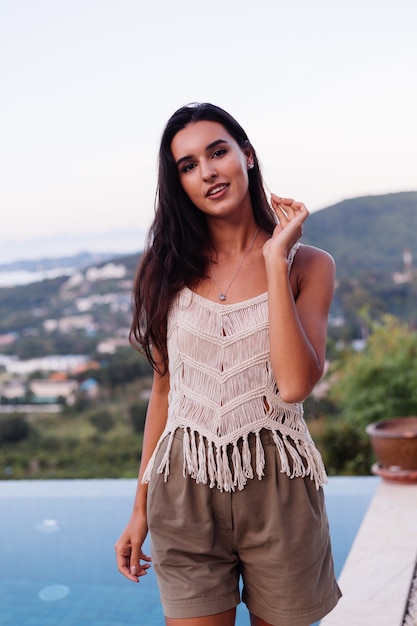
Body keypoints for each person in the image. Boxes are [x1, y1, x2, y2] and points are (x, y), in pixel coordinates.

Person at [115, 102, 342, 626]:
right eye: (188, 165)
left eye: (218, 152)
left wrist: (274, 259)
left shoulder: (310, 266)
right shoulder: (164, 269)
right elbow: (164, 395)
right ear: (180, 184)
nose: (208, 172)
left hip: (278, 489)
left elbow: (293, 384)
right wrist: (139, 511)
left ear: (248, 155)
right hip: (184, 488)